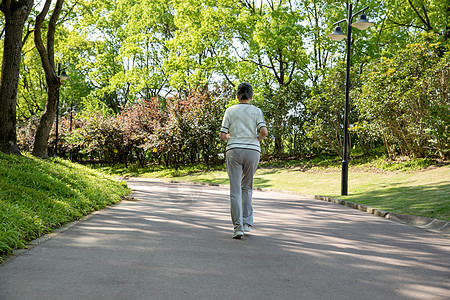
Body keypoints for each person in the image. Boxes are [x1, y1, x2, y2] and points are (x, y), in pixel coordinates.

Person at [219, 82, 268, 239]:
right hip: (252, 151)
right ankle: (247, 224)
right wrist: (258, 139)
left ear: (237, 96)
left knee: (235, 190)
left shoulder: (230, 111)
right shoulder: (256, 111)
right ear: (251, 96)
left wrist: (230, 137)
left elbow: (222, 134)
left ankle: (238, 227)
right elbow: (264, 131)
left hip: (234, 150)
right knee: (247, 187)